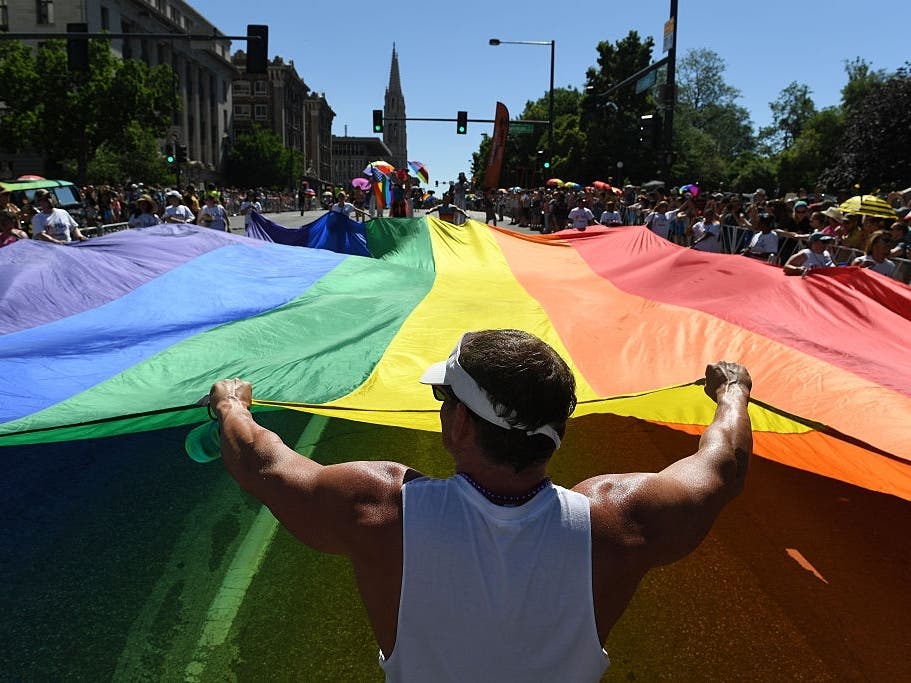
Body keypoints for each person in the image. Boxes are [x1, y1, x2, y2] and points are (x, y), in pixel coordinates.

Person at [208, 329, 752, 681]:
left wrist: (232, 405)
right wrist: (732, 393)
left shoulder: (381, 508)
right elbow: (723, 465)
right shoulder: (620, 522)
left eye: (443, 399)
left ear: (463, 423)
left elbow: (262, 463)